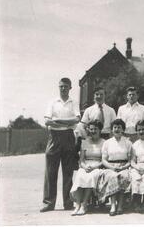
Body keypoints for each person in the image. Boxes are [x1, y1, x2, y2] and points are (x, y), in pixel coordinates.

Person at [40, 77, 80, 212]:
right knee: (50, 171)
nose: (63, 88)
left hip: (68, 136)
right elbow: (47, 121)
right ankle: (48, 202)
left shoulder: (74, 102)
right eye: (61, 86)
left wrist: (58, 120)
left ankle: (68, 203)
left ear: (70, 88)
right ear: (59, 87)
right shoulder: (52, 102)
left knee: (68, 172)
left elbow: (77, 120)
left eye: (66, 86)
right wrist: (67, 122)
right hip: (54, 137)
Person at [97, 119, 132, 216]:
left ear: (123, 129)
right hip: (110, 167)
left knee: (123, 176)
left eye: (119, 127)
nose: (117, 129)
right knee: (113, 177)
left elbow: (130, 160)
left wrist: (123, 167)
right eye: (115, 127)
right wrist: (111, 167)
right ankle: (113, 205)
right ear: (112, 130)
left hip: (124, 166)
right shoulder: (107, 143)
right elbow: (104, 160)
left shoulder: (127, 142)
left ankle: (120, 205)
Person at [70, 120, 104, 216]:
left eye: (95, 129)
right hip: (85, 165)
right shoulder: (84, 142)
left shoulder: (104, 142)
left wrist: (94, 167)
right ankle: (77, 205)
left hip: (97, 166)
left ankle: (84, 204)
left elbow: (103, 160)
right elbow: (81, 159)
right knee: (80, 175)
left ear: (100, 130)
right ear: (88, 130)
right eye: (91, 129)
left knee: (91, 177)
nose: (93, 131)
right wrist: (84, 166)